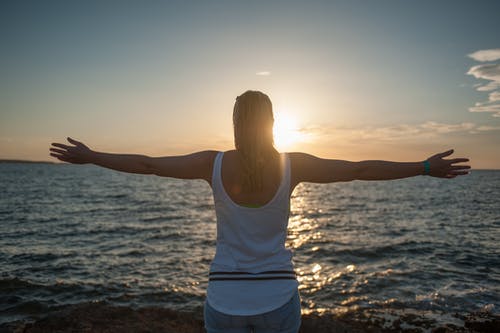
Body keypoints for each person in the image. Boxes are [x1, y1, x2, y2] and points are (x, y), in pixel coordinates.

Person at [49, 90, 470, 333]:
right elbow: (358, 169)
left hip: (224, 302)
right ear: (271, 121)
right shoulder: (293, 165)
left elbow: (148, 164)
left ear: (235, 122)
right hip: (278, 299)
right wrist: (423, 167)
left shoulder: (211, 163)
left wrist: (92, 156)